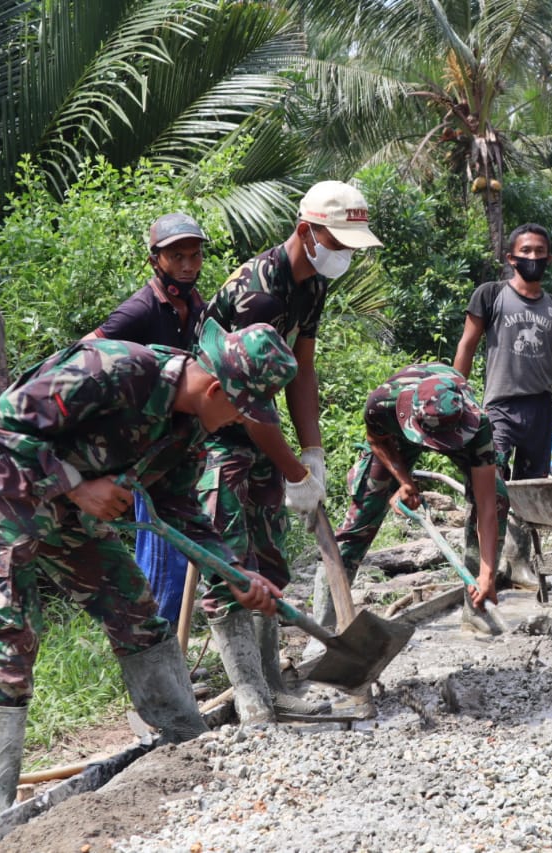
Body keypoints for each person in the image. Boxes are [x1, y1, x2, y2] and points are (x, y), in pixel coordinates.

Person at [0, 319, 294, 823]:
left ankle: (184, 747)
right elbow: (6, 429)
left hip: (64, 512)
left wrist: (235, 571)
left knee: (136, 612)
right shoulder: (115, 368)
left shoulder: (189, 428)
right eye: (240, 409)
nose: (239, 421)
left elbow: (181, 508)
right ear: (216, 388)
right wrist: (75, 485)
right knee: (10, 638)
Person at [199, 180, 382, 720]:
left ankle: (272, 679)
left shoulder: (312, 286)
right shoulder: (261, 292)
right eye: (339, 241)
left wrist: (313, 451)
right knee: (228, 561)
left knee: (269, 558)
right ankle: (252, 695)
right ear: (306, 231)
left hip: (262, 423)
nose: (346, 253)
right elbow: (247, 401)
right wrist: (295, 474)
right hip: (218, 428)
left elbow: (302, 371)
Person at [309, 363, 509, 638]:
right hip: (397, 435)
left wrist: (487, 573)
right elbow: (376, 440)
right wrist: (404, 481)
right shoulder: (382, 402)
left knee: (497, 498)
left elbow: (487, 506)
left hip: (456, 430)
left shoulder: (477, 423)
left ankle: (477, 608)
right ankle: (325, 628)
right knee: (361, 518)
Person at [83, 212, 210, 624]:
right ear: (156, 259)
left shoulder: (194, 304)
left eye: (195, 255)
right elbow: (85, 354)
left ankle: (168, 642)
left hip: (178, 444)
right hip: (145, 447)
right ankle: (155, 643)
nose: (188, 265)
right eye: (178, 256)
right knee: (162, 554)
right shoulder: (139, 311)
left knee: (180, 545)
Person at [454, 223, 552, 480]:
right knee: (491, 476)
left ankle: (523, 522)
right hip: (499, 406)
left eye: (539, 251)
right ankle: (487, 521)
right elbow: (467, 346)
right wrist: (456, 395)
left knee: (533, 484)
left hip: (540, 407)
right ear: (511, 258)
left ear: (549, 258)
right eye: (526, 251)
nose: (533, 257)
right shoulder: (491, 295)